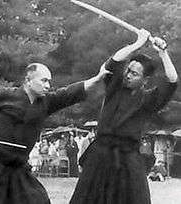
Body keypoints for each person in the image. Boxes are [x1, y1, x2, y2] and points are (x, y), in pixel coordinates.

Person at [0, 62, 109, 204]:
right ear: (28, 80)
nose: (47, 86)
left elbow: (70, 92)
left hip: (18, 169)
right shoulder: (3, 94)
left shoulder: (47, 102)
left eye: (49, 81)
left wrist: (97, 78)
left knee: (38, 200)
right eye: (44, 80)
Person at [70, 29, 178, 204]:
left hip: (129, 158)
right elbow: (113, 62)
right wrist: (137, 43)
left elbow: (172, 81)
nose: (128, 75)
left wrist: (163, 53)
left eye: (134, 74)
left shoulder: (149, 99)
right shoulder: (114, 87)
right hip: (100, 155)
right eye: (128, 70)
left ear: (145, 80)